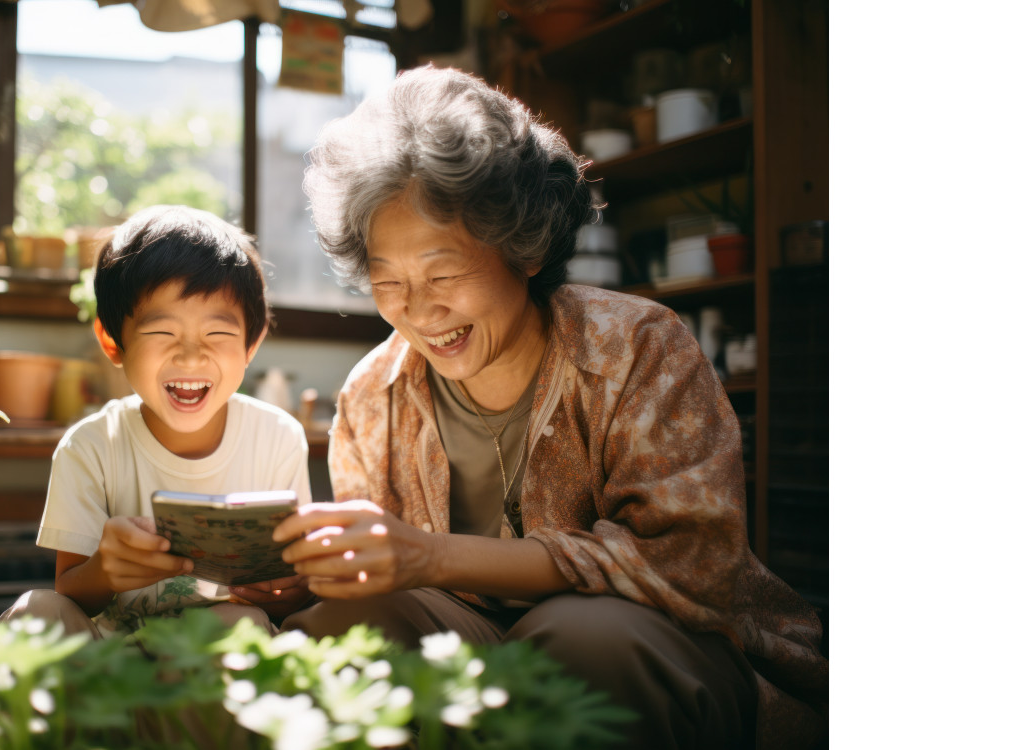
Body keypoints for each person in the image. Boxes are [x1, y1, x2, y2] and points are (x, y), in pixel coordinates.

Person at [273, 66, 828, 749]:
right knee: (340, 635)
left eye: (444, 273)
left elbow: (690, 563)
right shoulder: (373, 393)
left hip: (658, 644)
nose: (419, 310)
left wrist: (433, 558)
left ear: (524, 249)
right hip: (469, 641)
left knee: (577, 647)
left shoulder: (637, 348)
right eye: (390, 281)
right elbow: (384, 588)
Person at [1, 205, 316, 639]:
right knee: (35, 611)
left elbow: (291, 591)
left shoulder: (278, 438)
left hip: (207, 665)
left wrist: (288, 590)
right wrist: (106, 570)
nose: (190, 356)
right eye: (161, 333)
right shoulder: (90, 446)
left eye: (218, 334)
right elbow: (69, 592)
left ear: (251, 344)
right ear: (113, 342)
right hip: (110, 663)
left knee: (238, 623)